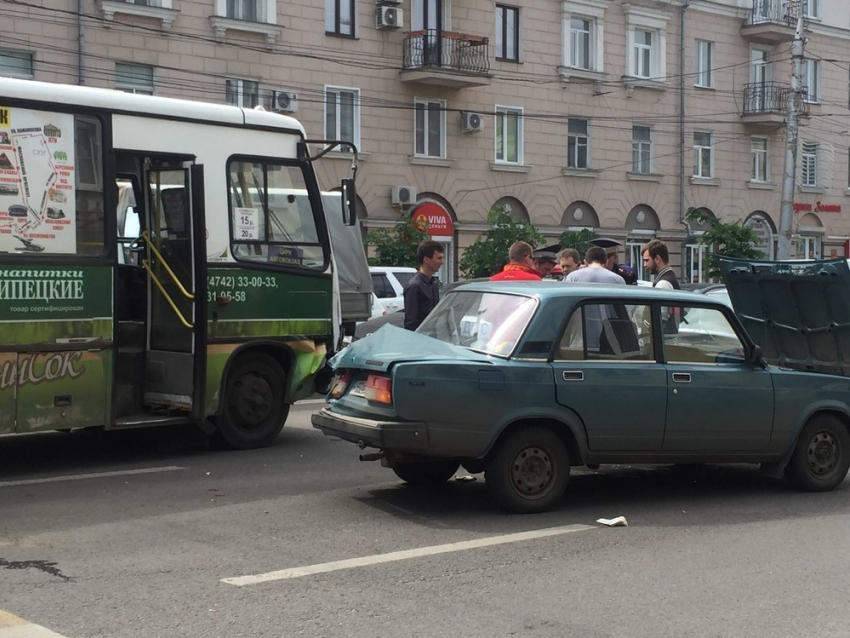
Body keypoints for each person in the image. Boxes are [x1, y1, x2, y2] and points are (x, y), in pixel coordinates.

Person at [403, 240, 443, 330]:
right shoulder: (414, 286)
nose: (442, 262)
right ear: (426, 260)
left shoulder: (433, 284)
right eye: (439, 258)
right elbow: (410, 323)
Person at [642, 239, 680, 334]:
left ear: (657, 259)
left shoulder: (663, 283)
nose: (644, 265)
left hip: (663, 341)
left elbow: (660, 319)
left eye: (647, 260)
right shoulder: (668, 277)